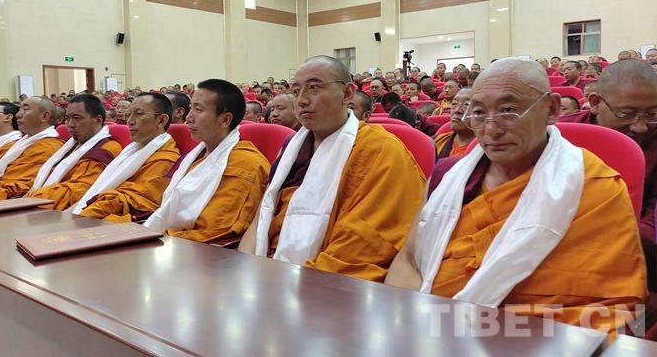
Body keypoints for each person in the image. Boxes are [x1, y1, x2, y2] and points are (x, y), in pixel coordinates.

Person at [386, 58, 647, 333]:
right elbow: (408, 260)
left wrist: (472, 333)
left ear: (552, 109)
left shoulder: (596, 186)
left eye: (509, 111)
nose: (491, 129)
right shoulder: (447, 176)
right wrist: (410, 327)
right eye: (478, 112)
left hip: (543, 340)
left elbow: (614, 308)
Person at [239, 55, 426, 282]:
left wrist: (285, 285)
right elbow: (261, 218)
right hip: (269, 270)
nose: (302, 100)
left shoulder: (381, 149)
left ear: (347, 93)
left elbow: (363, 243)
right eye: (296, 91)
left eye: (314, 88)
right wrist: (247, 273)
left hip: (323, 281)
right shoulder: (291, 149)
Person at [559, 59, 657, 293]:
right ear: (595, 103)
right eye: (626, 114)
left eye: (652, 113)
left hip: (636, 260)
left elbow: (656, 223)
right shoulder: (561, 135)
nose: (640, 127)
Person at [144, 80, 270, 243]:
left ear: (225, 120)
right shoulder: (193, 156)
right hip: (167, 238)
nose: (188, 118)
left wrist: (156, 240)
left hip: (192, 250)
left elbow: (215, 231)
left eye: (198, 110)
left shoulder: (246, 164)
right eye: (191, 108)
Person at [74, 93, 180, 221]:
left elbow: (136, 202)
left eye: (139, 114)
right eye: (130, 114)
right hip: (96, 212)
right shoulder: (130, 151)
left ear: (161, 120)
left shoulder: (166, 160)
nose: (130, 121)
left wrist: (81, 218)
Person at [25, 94, 122, 210]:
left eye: (77, 118)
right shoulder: (70, 146)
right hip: (40, 200)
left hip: (60, 210)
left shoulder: (106, 149)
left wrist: (30, 198)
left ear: (98, 120)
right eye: (67, 118)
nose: (70, 124)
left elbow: (78, 190)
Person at [0, 97, 64, 199]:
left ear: (44, 116)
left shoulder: (47, 147)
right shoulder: (22, 143)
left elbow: (15, 187)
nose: (18, 115)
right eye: (19, 109)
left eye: (25, 109)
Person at [434, 87, 475, 159]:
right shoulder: (436, 142)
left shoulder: (487, 150)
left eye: (467, 105)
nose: (457, 110)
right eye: (454, 104)